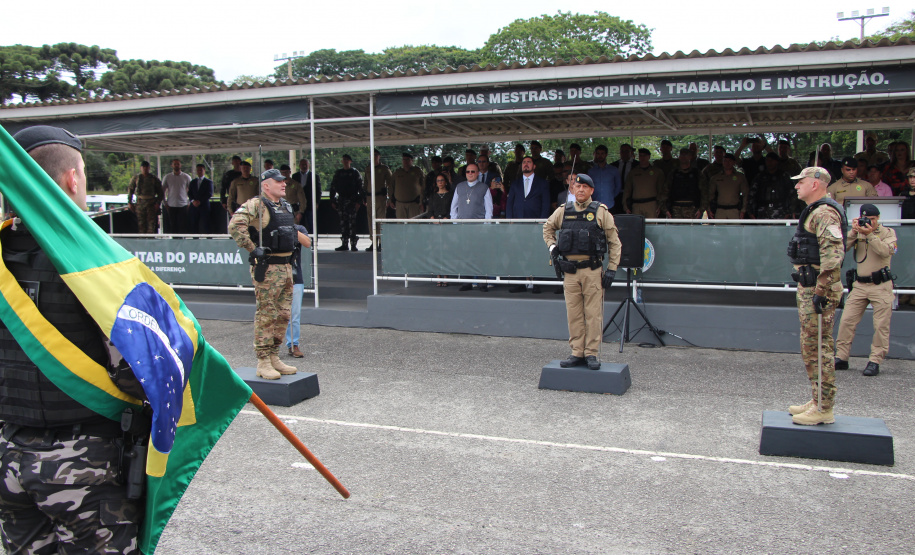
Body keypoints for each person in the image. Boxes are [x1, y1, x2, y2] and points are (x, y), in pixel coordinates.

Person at [2, 125, 145, 553]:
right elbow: (136, 372)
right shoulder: (92, 266)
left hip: (7, 456)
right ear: (72, 180)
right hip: (81, 463)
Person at [787, 166, 847, 425]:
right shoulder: (816, 212)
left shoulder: (824, 213)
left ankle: (824, 407)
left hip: (818, 289)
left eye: (801, 182)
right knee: (811, 346)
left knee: (818, 348)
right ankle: (817, 399)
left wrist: (821, 290)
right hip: (810, 287)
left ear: (815, 184)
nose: (797, 186)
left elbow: (833, 256)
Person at [543, 174, 622, 370]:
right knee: (574, 314)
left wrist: (612, 268)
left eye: (585, 187)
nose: (580, 190)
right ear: (571, 189)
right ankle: (577, 352)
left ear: (591, 191)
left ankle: (591, 353)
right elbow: (547, 228)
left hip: (592, 271)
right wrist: (552, 247)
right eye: (577, 186)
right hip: (570, 271)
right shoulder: (563, 211)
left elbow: (615, 242)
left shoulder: (601, 212)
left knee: (593, 314)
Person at [228, 169, 299, 380]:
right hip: (268, 268)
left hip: (286, 267)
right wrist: (251, 248)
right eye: (278, 182)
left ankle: (274, 356)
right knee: (267, 314)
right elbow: (235, 225)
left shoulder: (284, 206)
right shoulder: (257, 204)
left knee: (284, 314)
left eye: (284, 181)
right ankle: (263, 361)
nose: (283, 184)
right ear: (266, 185)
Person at [834, 204, 897, 377]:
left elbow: (886, 251)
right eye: (864, 219)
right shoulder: (859, 232)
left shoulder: (888, 233)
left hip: (880, 286)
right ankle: (841, 357)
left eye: (871, 220)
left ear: (877, 218)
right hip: (860, 285)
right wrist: (854, 232)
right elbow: (841, 249)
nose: (867, 222)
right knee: (846, 321)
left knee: (881, 326)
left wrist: (870, 235)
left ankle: (875, 361)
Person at [450, 163, 493, 292]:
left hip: (478, 228)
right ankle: (466, 282)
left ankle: (482, 283)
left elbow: (489, 210)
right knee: (464, 255)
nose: (470, 173)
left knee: (480, 255)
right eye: (468, 171)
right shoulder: (459, 187)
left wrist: (486, 226)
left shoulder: (484, 187)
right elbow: (453, 207)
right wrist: (455, 223)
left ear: (478, 173)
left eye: (473, 171)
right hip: (463, 228)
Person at [284, 224, 313, 358]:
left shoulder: (299, 229)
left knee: (294, 315)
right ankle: (270, 347)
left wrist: (291, 230)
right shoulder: (270, 226)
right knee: (274, 314)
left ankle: (293, 344)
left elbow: (307, 243)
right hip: (275, 277)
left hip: (295, 276)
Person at [329, 154, 365, 252]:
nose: (345, 161)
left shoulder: (354, 173)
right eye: (343, 159)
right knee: (343, 223)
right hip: (341, 201)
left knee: (352, 223)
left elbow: (360, 187)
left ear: (350, 161)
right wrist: (332, 200)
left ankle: (353, 244)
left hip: (352, 201)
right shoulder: (339, 173)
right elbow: (333, 187)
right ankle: (344, 244)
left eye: (347, 160)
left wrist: (360, 201)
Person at [624, 147, 667, 218]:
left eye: (644, 155)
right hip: (636, 204)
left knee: (651, 227)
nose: (642, 157)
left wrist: (660, 205)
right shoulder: (633, 172)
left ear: (649, 157)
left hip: (651, 204)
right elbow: (627, 190)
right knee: (637, 227)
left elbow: (661, 190)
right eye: (640, 155)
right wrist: (625, 206)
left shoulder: (657, 172)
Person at [748, 153, 793, 219]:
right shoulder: (760, 177)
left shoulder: (784, 176)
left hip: (780, 211)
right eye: (767, 160)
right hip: (762, 210)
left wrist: (789, 211)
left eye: (772, 160)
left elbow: (791, 194)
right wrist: (750, 211)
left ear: (777, 162)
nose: (769, 163)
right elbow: (751, 194)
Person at [365, 149, 394, 251]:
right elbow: (365, 184)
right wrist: (365, 198)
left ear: (379, 156)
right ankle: (374, 242)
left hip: (380, 198)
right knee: (370, 220)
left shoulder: (384, 169)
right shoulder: (368, 169)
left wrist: (390, 199)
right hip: (369, 197)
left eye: (376, 155)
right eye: (372, 155)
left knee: (380, 220)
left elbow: (391, 185)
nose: (374, 157)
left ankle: (382, 242)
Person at [708, 153, 749, 219]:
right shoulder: (715, 178)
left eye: (730, 161)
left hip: (734, 210)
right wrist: (708, 209)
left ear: (734, 162)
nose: (727, 163)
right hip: (720, 210)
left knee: (735, 229)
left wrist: (743, 210)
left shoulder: (740, 177)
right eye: (725, 161)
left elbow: (745, 194)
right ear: (722, 162)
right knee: (720, 229)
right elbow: (710, 195)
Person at [127, 160, 164, 233]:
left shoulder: (154, 179)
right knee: (141, 225)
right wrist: (130, 202)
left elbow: (160, 193)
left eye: (146, 167)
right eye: (143, 167)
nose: (145, 169)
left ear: (149, 168)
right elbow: (130, 190)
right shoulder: (136, 178)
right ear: (141, 168)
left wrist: (157, 203)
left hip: (151, 204)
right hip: (140, 204)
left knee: (151, 225)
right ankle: (142, 241)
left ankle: (150, 241)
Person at [665, 149, 703, 218]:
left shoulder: (697, 173)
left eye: (686, 155)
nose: (683, 157)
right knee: (676, 229)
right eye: (681, 155)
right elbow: (666, 191)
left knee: (691, 229)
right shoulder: (673, 173)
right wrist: (665, 209)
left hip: (692, 208)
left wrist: (701, 209)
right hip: (675, 208)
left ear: (690, 157)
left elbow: (704, 192)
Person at [389, 152, 424, 219]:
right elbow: (391, 187)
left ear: (412, 160)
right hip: (400, 204)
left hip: (414, 204)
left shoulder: (418, 171)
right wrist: (390, 200)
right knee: (401, 226)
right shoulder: (397, 172)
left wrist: (422, 201)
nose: (405, 161)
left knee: (414, 226)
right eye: (404, 159)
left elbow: (424, 187)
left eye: (407, 159)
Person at [587, 145, 622, 210]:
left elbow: (618, 186)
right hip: (594, 204)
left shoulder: (614, 170)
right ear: (595, 155)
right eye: (598, 153)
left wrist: (610, 196)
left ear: (606, 154)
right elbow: (588, 187)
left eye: (602, 153)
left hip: (609, 204)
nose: (600, 156)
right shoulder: (591, 171)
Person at [162, 158, 191, 233]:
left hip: (183, 205)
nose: (176, 165)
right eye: (175, 164)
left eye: (178, 164)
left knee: (183, 225)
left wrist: (189, 202)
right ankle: (174, 242)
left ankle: (182, 242)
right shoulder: (167, 177)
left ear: (180, 165)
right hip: (171, 205)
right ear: (172, 165)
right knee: (173, 226)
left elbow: (191, 191)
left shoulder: (186, 177)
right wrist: (164, 203)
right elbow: (162, 190)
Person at [291, 158, 320, 234]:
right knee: (299, 224)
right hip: (299, 205)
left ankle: (313, 243)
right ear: (299, 165)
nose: (304, 166)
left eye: (305, 165)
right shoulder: (295, 176)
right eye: (302, 165)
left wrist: (317, 202)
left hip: (310, 204)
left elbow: (318, 190)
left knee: (312, 224)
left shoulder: (314, 176)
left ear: (309, 165)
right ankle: (300, 242)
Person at [188, 163, 213, 233]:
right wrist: (193, 201)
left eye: (201, 170)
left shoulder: (208, 182)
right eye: (198, 170)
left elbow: (209, 193)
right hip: (194, 206)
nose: (199, 171)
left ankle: (208, 239)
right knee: (194, 223)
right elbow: (189, 193)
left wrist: (200, 201)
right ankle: (195, 240)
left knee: (206, 223)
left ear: (204, 171)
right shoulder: (193, 182)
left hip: (204, 205)